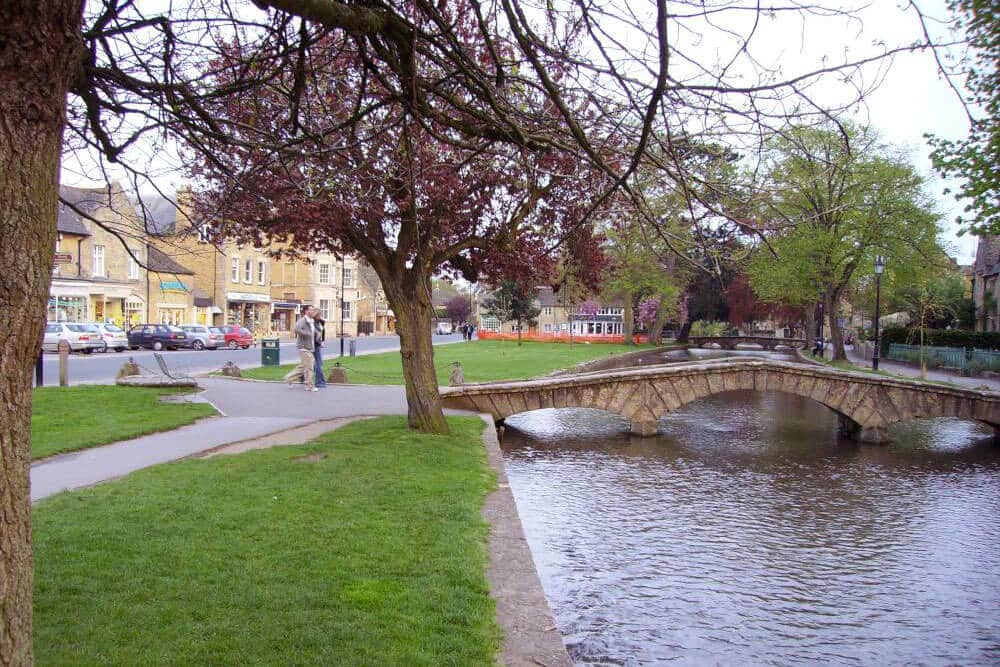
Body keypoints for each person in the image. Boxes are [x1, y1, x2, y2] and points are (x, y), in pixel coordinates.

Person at [284, 306, 318, 391]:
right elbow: (296, 329)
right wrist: (307, 334)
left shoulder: (311, 320)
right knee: (309, 367)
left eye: (313, 310)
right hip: (304, 347)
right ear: (306, 311)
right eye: (311, 310)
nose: (313, 311)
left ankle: (289, 378)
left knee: (304, 366)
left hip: (309, 347)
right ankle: (309, 386)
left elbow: (312, 332)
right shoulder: (303, 320)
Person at [313, 313, 327, 389]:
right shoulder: (313, 323)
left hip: (318, 344)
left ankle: (303, 377)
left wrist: (323, 341)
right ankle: (320, 382)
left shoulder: (321, 322)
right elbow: (314, 335)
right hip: (314, 345)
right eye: (318, 315)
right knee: (318, 363)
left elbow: (323, 331)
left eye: (320, 315)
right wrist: (319, 342)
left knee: (315, 364)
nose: (320, 317)